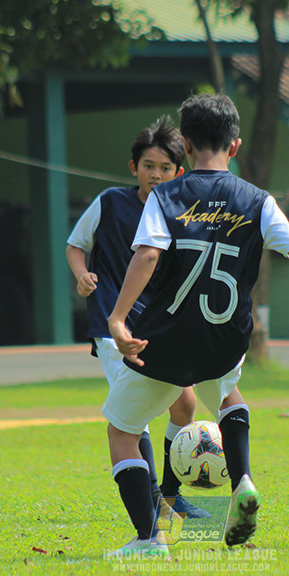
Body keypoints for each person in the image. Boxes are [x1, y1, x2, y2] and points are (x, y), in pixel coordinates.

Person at [104, 93, 289, 558]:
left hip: (167, 340)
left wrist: (117, 317)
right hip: (224, 339)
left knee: (121, 429)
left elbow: (149, 254)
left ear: (187, 144)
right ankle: (243, 481)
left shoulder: (165, 195)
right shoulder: (257, 200)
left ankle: (149, 539)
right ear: (234, 146)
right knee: (228, 395)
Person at [66, 116, 205, 522]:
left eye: (165, 168)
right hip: (114, 328)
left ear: (178, 172)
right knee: (132, 419)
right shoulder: (110, 202)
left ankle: (170, 495)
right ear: (134, 168)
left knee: (186, 401)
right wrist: (82, 275)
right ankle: (153, 512)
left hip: (160, 325)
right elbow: (77, 245)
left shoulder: (182, 215)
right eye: (148, 166)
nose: (156, 175)